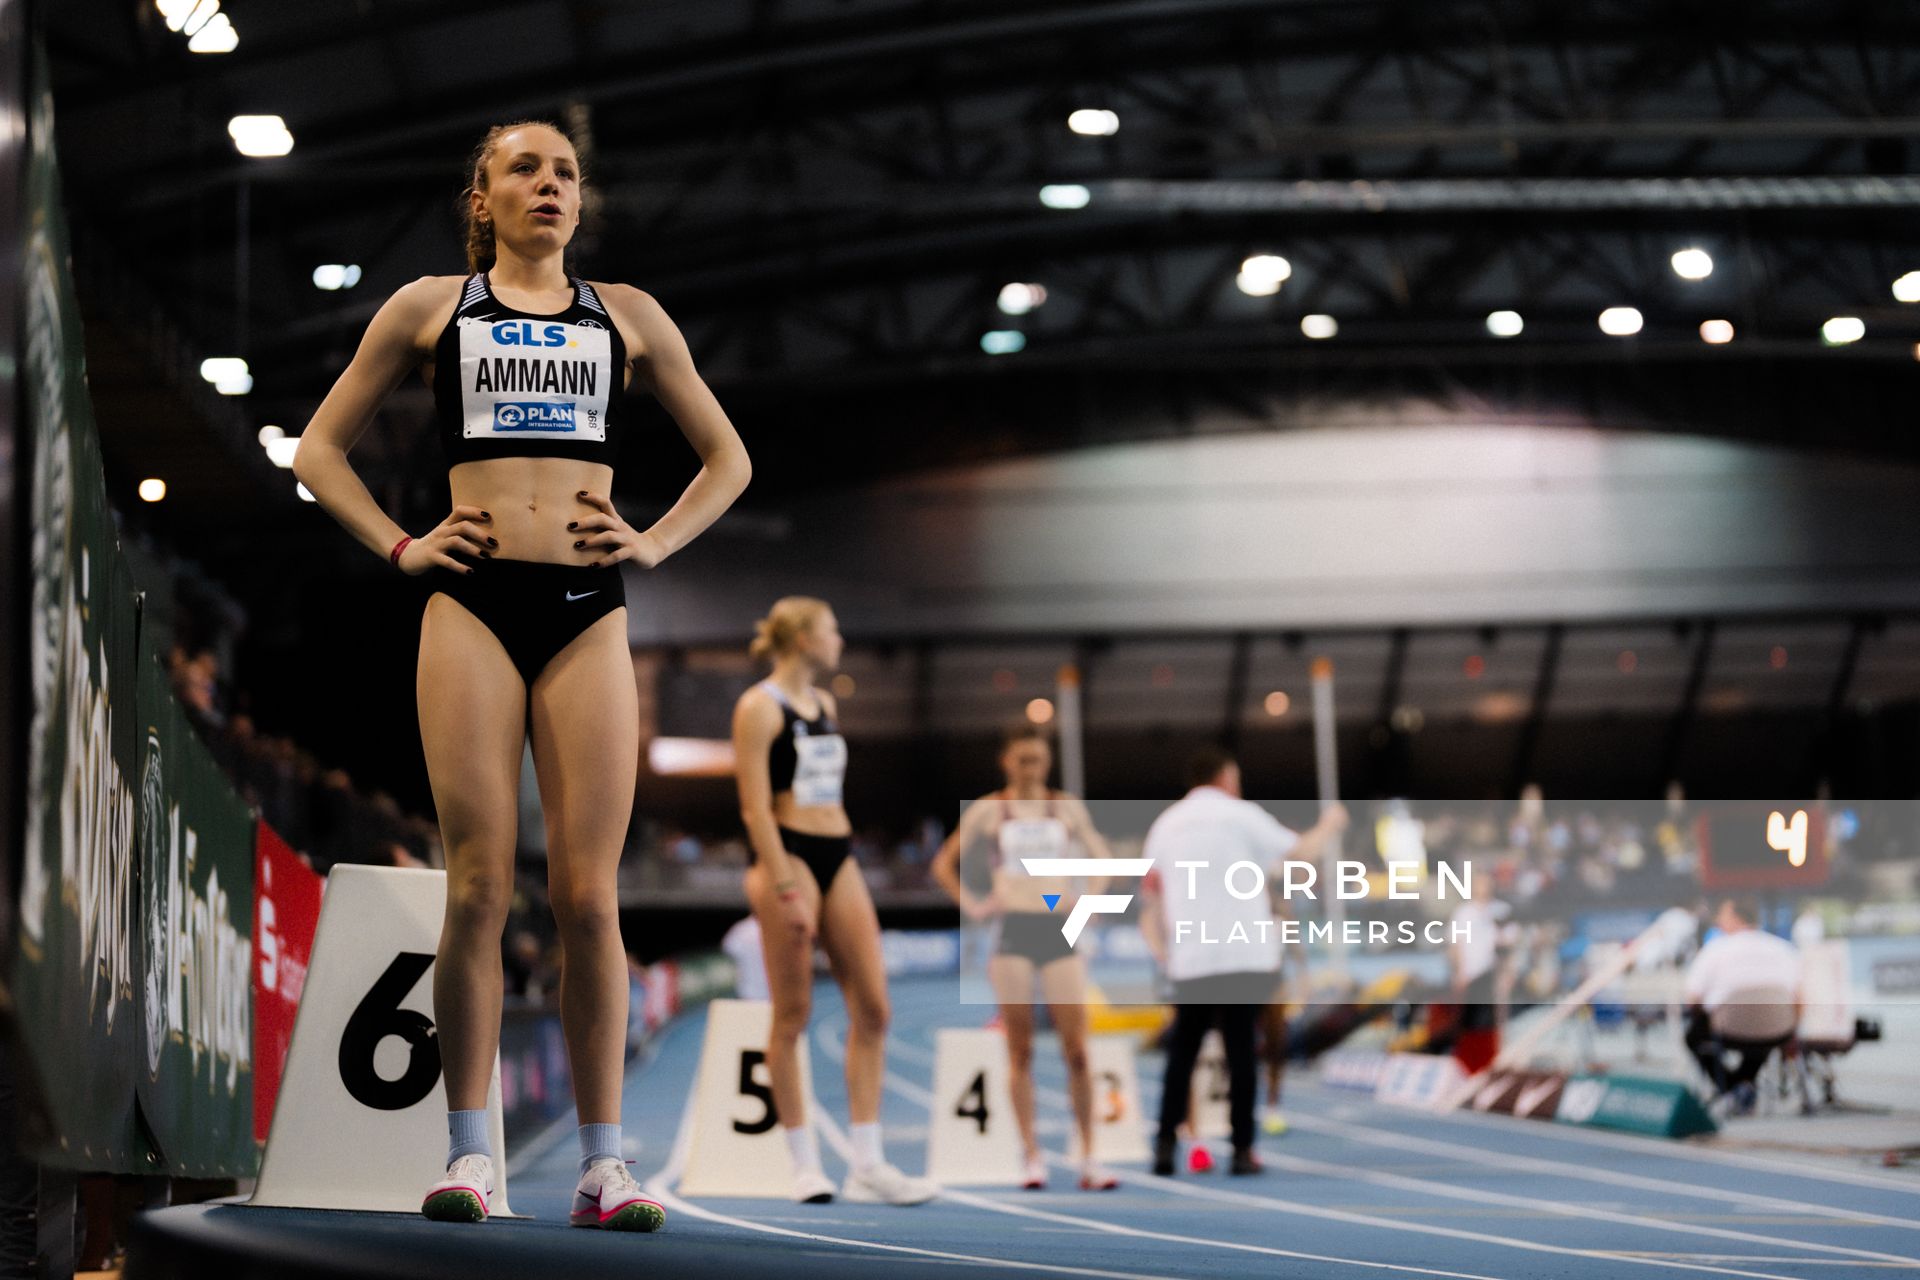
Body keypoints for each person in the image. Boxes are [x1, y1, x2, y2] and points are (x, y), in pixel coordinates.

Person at [293, 119, 750, 1229]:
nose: (550, 185)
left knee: (591, 895)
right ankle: (471, 1155)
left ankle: (604, 1164)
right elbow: (317, 451)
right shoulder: (430, 308)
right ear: (482, 200)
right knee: (480, 886)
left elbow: (729, 458)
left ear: (579, 202)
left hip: (589, 611)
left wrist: (654, 539)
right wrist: (403, 545)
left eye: (567, 173)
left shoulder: (628, 315)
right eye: (525, 170)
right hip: (470, 605)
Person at [731, 598, 937, 1206]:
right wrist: (784, 885)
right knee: (792, 1016)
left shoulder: (827, 706)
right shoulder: (758, 708)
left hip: (837, 848)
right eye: (833, 630)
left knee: (874, 1009)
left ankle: (868, 1165)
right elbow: (753, 808)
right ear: (802, 640)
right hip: (787, 853)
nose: (840, 640)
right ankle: (803, 1164)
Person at [1137, 748, 1346, 1177]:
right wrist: (1330, 825)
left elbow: (1151, 895)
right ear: (1226, 778)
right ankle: (1241, 1149)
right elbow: (1299, 855)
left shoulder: (1165, 824)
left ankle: (1163, 1146)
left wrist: (1162, 948)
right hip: (1243, 952)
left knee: (1183, 1052)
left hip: (1192, 956)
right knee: (1240, 1052)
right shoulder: (1241, 814)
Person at [931, 724, 1122, 1191]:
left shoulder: (1065, 807)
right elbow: (942, 863)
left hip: (1057, 921)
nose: (1030, 767)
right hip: (1013, 925)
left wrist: (1088, 901)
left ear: (1047, 761)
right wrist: (973, 905)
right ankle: (1031, 1155)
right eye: (1021, 760)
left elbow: (1103, 858)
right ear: (1006, 762)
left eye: (1036, 759)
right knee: (1020, 1050)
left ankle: (1089, 1156)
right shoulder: (991, 809)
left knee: (1077, 1050)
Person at [1683, 897, 1802, 1112]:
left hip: (1728, 1027)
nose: (1718, 921)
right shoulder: (1783, 949)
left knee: (1694, 1035)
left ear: (1737, 918)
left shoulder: (1715, 949)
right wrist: (1793, 1028)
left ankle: (1730, 1087)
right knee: (1761, 1036)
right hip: (1777, 1029)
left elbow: (1693, 998)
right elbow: (1800, 996)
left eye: (1723, 916)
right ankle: (1745, 1083)